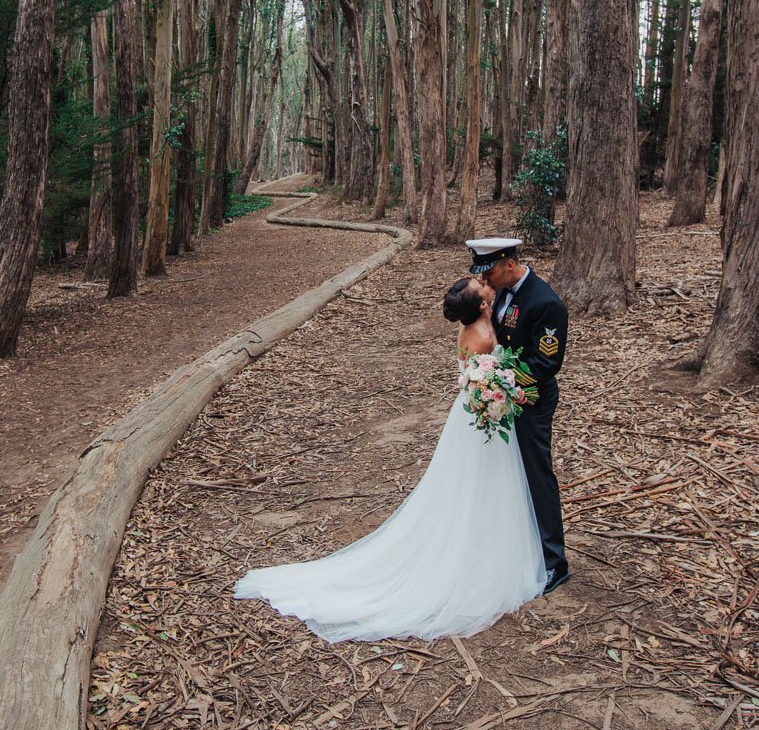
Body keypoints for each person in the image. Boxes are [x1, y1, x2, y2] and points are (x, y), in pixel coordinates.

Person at [233, 276, 546, 643]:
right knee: (477, 483)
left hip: (479, 413)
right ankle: (476, 557)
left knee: (487, 484)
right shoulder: (477, 335)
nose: (486, 283)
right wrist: (502, 391)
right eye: (481, 286)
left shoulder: (480, 319)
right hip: (481, 414)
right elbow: (480, 377)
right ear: (480, 306)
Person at [468, 237, 570, 593]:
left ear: (510, 264)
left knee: (535, 472)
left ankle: (554, 560)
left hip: (532, 400)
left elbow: (546, 363)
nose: (486, 280)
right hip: (501, 397)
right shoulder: (498, 293)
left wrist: (502, 383)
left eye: (491, 271)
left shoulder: (546, 303)